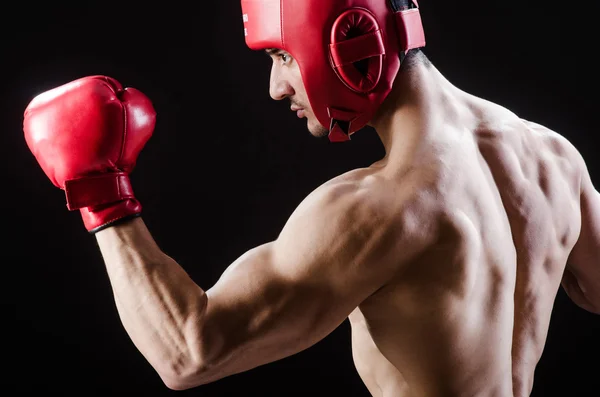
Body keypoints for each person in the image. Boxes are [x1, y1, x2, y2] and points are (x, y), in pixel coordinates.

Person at [22, 0, 600, 396]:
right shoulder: (552, 155)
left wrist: (101, 191)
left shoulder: (382, 208)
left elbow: (189, 352)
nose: (277, 87)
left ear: (348, 40)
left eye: (280, 56)